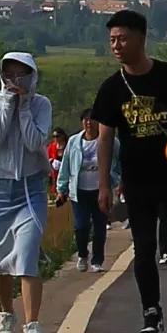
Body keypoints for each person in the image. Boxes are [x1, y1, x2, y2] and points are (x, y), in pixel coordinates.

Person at [89, 9, 167, 333]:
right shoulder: (112, 88)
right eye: (112, 40)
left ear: (141, 38)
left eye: (123, 38)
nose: (116, 45)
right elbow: (105, 138)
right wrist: (104, 184)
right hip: (136, 181)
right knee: (143, 249)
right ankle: (151, 312)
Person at [0, 50, 55, 333]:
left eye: (22, 74)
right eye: (10, 74)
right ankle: (6, 314)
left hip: (30, 189)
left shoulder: (41, 104)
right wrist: (8, 104)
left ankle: (32, 323)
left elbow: (35, 142)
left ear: (32, 75)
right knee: (2, 255)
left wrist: (24, 108)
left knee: (27, 252)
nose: (16, 80)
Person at [56, 116, 110, 270]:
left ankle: (97, 260)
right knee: (81, 226)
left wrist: (117, 182)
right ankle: (82, 254)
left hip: (100, 191)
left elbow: (116, 163)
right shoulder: (74, 142)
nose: (89, 123)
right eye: (85, 120)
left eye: (92, 119)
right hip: (79, 191)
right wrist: (61, 189)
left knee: (100, 227)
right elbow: (65, 165)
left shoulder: (108, 140)